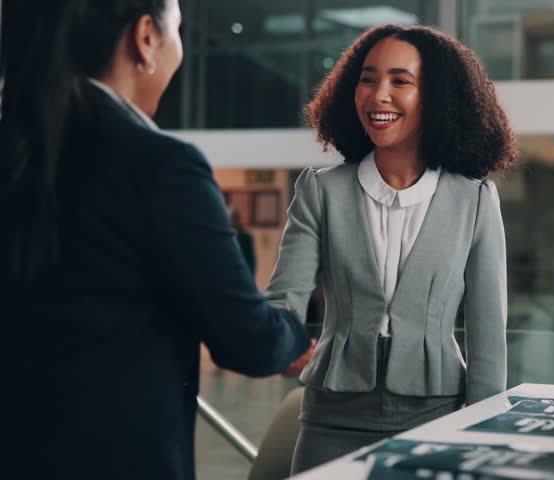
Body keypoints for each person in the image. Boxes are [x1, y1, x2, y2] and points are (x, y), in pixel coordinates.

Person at [1, 1, 311, 478]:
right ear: (145, 37)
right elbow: (247, 341)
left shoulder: (21, 149)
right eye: (178, 30)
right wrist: (292, 330)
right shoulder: (158, 166)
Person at [265, 24, 520, 473]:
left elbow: (487, 334)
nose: (378, 95)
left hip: (437, 414)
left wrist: (483, 431)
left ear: (435, 97)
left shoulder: (475, 199)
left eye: (400, 81)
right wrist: (273, 343)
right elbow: (286, 296)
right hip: (331, 415)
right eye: (368, 78)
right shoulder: (320, 190)